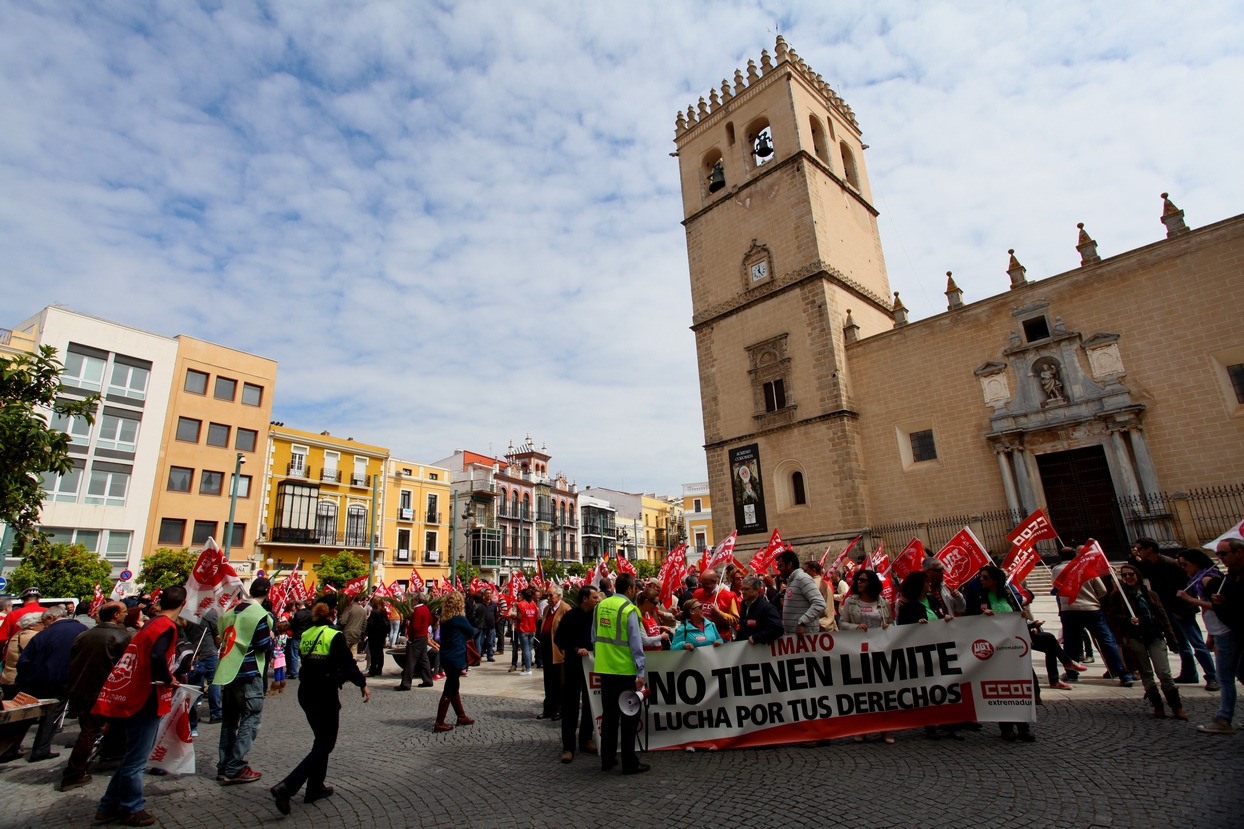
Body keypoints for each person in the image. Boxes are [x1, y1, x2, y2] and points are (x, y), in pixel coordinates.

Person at [92, 586, 186, 827]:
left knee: (131, 756)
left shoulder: (153, 623)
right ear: (183, 604)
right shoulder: (165, 626)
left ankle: (108, 805)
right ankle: (131, 808)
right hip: (147, 696)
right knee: (136, 760)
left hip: (137, 693)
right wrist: (168, 678)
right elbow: (156, 656)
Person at [269, 599, 369, 815]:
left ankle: (315, 787)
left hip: (306, 691)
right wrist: (362, 684)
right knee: (326, 743)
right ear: (333, 613)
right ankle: (287, 786)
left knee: (320, 740)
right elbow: (347, 663)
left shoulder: (306, 634)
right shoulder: (334, 635)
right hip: (325, 691)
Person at [61, 601, 131, 789]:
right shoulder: (119, 636)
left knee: (90, 730)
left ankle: (109, 753)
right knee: (89, 732)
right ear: (116, 615)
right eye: (124, 612)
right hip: (100, 691)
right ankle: (73, 773)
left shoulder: (83, 635)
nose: (126, 615)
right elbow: (128, 666)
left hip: (81, 689)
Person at [1105, 563, 1186, 719]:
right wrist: (1128, 619)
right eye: (1124, 575)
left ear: (1138, 575)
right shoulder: (1118, 595)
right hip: (1135, 637)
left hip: (1155, 635)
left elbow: (1163, 617)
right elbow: (1112, 615)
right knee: (1146, 673)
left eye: (1131, 574)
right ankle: (1157, 705)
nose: (1128, 577)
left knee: (1164, 672)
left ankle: (1176, 706)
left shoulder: (1150, 594)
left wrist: (1172, 640)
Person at [214, 577, 274, 786]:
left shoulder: (229, 613)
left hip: (228, 672)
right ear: (267, 592)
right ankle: (235, 766)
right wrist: (272, 637)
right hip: (249, 671)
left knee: (229, 722)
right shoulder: (258, 615)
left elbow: (222, 638)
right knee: (251, 719)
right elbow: (263, 645)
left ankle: (224, 766)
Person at [965, 566, 1036, 742]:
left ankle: (1023, 726)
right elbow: (969, 618)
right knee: (1000, 687)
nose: (981, 580)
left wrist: (1024, 618)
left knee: (1019, 687)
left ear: (995, 579)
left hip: (1014, 647)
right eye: (980, 576)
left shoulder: (1008, 595)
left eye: (985, 577)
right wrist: (982, 615)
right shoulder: (978, 596)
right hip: (993, 648)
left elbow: (1016, 613)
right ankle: (1006, 726)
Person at [590, 572, 649, 775]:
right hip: (625, 670)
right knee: (629, 717)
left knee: (609, 717)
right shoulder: (629, 609)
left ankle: (607, 759)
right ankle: (629, 762)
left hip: (605, 669)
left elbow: (594, 636)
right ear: (631, 588)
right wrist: (640, 672)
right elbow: (636, 643)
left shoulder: (600, 606)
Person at [1051, 547, 1134, 687]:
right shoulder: (1087, 567)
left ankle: (1072, 673)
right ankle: (1124, 674)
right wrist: (1090, 597)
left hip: (1069, 610)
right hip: (1091, 609)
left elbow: (1057, 588)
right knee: (1107, 641)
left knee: (1071, 643)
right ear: (1076, 555)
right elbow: (1102, 590)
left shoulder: (1057, 570)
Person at [1130, 537, 1200, 683]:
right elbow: (1138, 573)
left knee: (1196, 643)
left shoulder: (1169, 563)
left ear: (1149, 549)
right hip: (1166, 608)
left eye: (1140, 548)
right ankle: (1189, 673)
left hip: (1181, 609)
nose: (1137, 550)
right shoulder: (1149, 564)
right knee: (1181, 643)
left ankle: (1211, 677)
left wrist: (1186, 606)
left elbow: (1187, 584)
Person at [840, 569, 895, 745]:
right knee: (862, 692)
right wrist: (855, 628)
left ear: (872, 582)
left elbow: (892, 622)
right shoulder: (851, 602)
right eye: (858, 580)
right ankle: (861, 730)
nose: (859, 583)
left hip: (880, 650)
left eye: (863, 580)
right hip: (859, 650)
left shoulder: (883, 602)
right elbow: (842, 622)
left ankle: (884, 730)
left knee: (882, 692)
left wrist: (888, 626)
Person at [1197, 538, 1244, 735]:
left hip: (1235, 630)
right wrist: (1224, 599)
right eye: (1218, 554)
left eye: (1223, 553)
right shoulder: (1232, 574)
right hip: (1234, 629)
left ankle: (1224, 719)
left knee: (1224, 678)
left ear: (1239, 552)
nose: (1219, 558)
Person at [554, 586, 598, 763]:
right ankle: (568, 747)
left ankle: (586, 739)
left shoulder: (597, 616)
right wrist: (574, 649)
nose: (598, 600)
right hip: (573, 665)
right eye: (594, 597)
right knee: (571, 706)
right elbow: (559, 639)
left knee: (590, 704)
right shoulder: (571, 616)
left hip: (592, 666)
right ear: (585, 599)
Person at [1173, 548, 1221, 692]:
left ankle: (1224, 711)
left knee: (1229, 674)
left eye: (1185, 564)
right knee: (1229, 674)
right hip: (1216, 629)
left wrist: (1190, 599)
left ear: (1197, 563)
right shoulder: (1199, 580)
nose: (1183, 568)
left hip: (1224, 629)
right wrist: (1211, 635)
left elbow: (1218, 607)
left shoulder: (1207, 579)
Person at [433, 592, 477, 732]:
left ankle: (461, 716)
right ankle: (439, 722)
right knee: (450, 688)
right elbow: (471, 631)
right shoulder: (458, 618)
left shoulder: (445, 618)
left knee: (454, 685)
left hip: (445, 655)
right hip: (455, 655)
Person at [775, 551, 826, 636]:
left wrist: (802, 622)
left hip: (805, 638)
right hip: (794, 639)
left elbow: (820, 604)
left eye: (780, 565)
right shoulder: (792, 580)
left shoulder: (802, 579)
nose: (778, 568)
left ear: (789, 565)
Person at [538, 586, 571, 721]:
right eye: (548, 595)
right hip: (547, 650)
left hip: (559, 652)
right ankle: (549, 709)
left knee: (560, 682)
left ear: (559, 596)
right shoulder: (547, 609)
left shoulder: (565, 609)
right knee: (549, 681)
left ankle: (561, 709)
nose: (549, 598)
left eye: (551, 595)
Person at [396, 592, 434, 691]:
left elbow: (415, 626)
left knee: (410, 661)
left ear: (417, 600)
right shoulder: (426, 608)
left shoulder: (418, 610)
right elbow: (430, 620)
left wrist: (411, 638)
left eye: (412, 599)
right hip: (423, 637)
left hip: (416, 638)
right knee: (423, 659)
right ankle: (427, 679)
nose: (412, 601)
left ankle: (406, 683)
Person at [693, 569, 739, 641]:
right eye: (702, 583)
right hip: (700, 636)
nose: (703, 586)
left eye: (706, 584)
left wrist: (719, 614)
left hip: (720, 638)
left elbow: (735, 620)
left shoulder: (729, 596)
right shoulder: (697, 593)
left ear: (715, 581)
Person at [0, 587, 43, 659]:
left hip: (17, 655)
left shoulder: (13, 614)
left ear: (23, 600)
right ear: (38, 599)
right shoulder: (48, 613)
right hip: (42, 654)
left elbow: (2, 638)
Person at [738, 576, 784, 644]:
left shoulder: (766, 608)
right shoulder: (744, 606)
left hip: (761, 651)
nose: (743, 592)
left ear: (757, 590)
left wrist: (757, 637)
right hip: (746, 650)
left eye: (747, 589)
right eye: (742, 589)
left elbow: (778, 628)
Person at [802, 560, 839, 631]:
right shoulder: (825, 583)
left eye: (806, 571)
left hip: (820, 627)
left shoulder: (812, 585)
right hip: (829, 625)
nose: (804, 573)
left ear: (813, 570)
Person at [514, 588, 539, 676]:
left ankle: (528, 668)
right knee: (529, 649)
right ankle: (528, 667)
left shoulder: (520, 604)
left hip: (523, 628)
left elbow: (519, 618)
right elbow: (536, 617)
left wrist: (512, 616)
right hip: (532, 628)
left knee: (525, 649)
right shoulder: (533, 604)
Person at [365, 596, 389, 678]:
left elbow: (371, 625)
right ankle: (379, 669)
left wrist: (366, 632)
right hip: (381, 635)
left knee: (373, 653)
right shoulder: (383, 611)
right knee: (380, 652)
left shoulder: (374, 612)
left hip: (374, 635)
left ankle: (372, 670)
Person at [336, 594, 365, 660]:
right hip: (357, 634)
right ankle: (353, 666)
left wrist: (340, 618)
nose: (347, 601)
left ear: (352, 600)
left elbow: (342, 622)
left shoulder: (348, 609)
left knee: (344, 653)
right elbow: (364, 624)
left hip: (347, 634)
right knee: (353, 653)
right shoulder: (362, 611)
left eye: (348, 600)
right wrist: (362, 632)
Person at [289, 601, 312, 681]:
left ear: (298, 606)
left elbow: (292, 626)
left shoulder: (298, 614)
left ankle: (294, 673)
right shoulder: (310, 613)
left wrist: (291, 620)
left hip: (297, 636)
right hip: (307, 636)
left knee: (294, 655)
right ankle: (306, 671)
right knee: (305, 655)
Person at [478, 589, 498, 662]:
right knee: (480, 642)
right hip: (482, 625)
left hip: (490, 625)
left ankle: (490, 656)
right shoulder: (481, 603)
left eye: (490, 593)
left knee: (490, 642)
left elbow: (495, 614)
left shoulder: (493, 604)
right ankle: (479, 656)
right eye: (487, 593)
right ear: (484, 594)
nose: (489, 595)